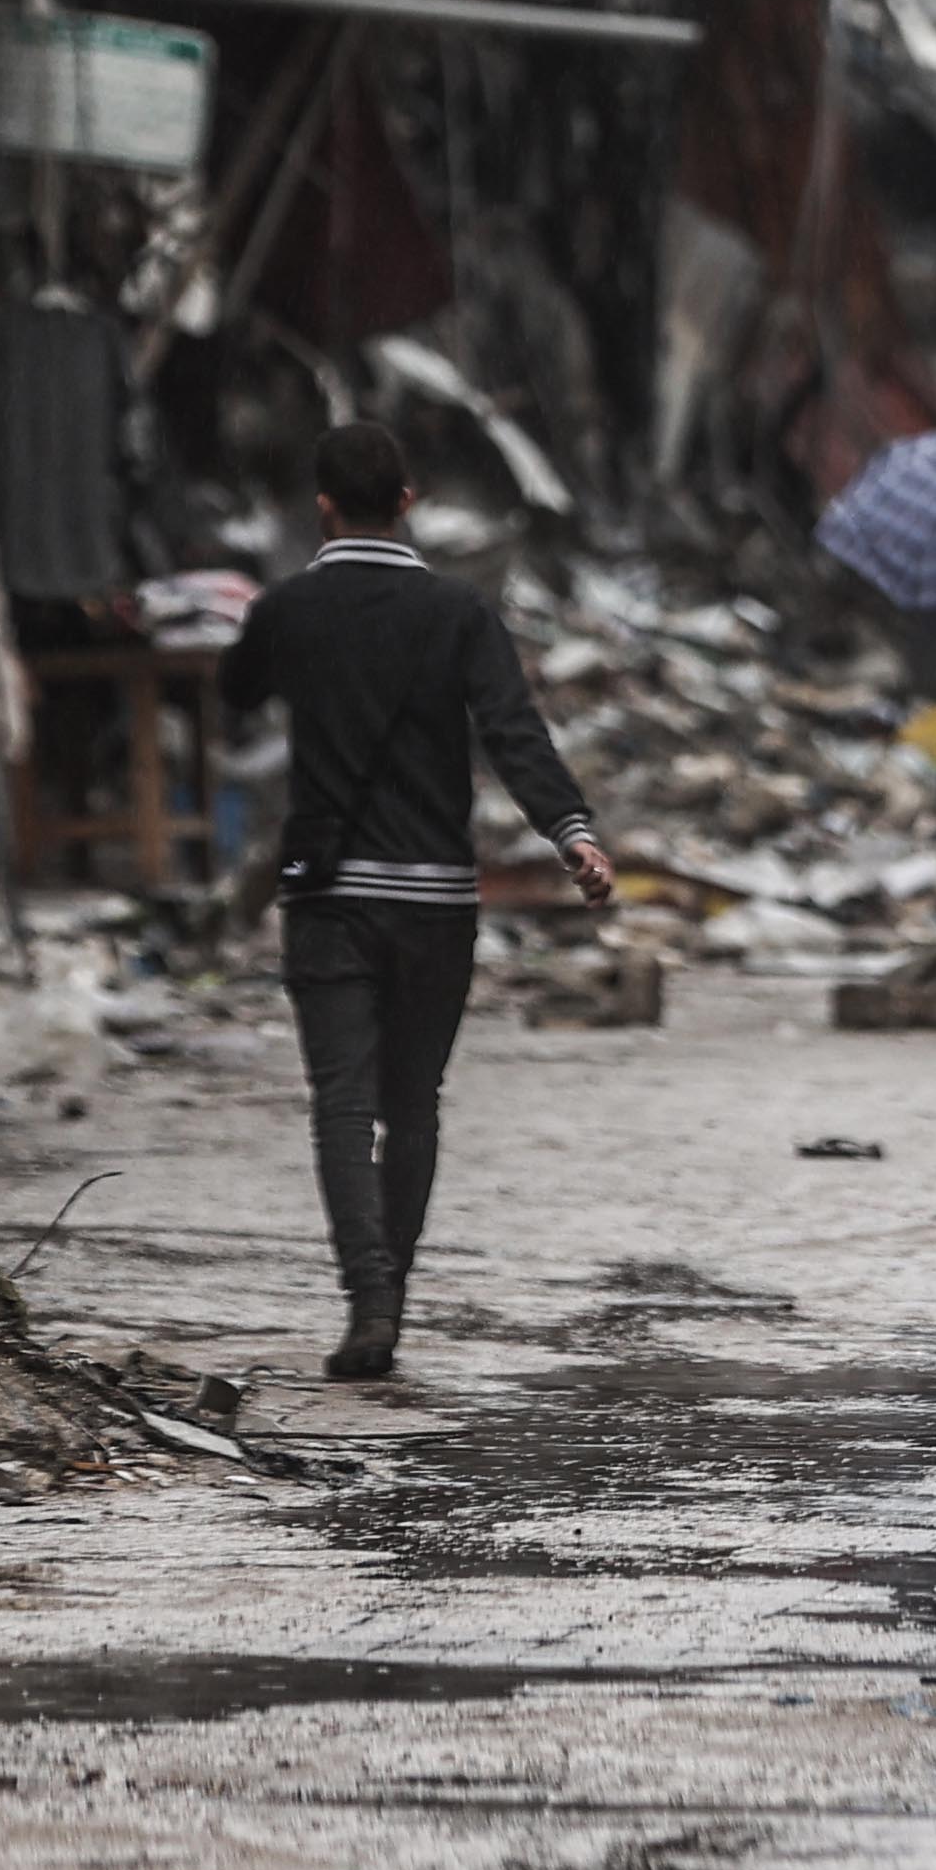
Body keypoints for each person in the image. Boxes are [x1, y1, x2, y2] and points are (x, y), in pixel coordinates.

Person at [222, 422, 608, 1382]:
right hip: (436, 899)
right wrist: (572, 834)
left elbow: (235, 694)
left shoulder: (286, 610)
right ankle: (392, 1283)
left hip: (329, 896)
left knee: (341, 1106)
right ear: (409, 500)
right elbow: (514, 732)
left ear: (321, 507)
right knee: (414, 1104)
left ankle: (369, 1298)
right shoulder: (459, 613)